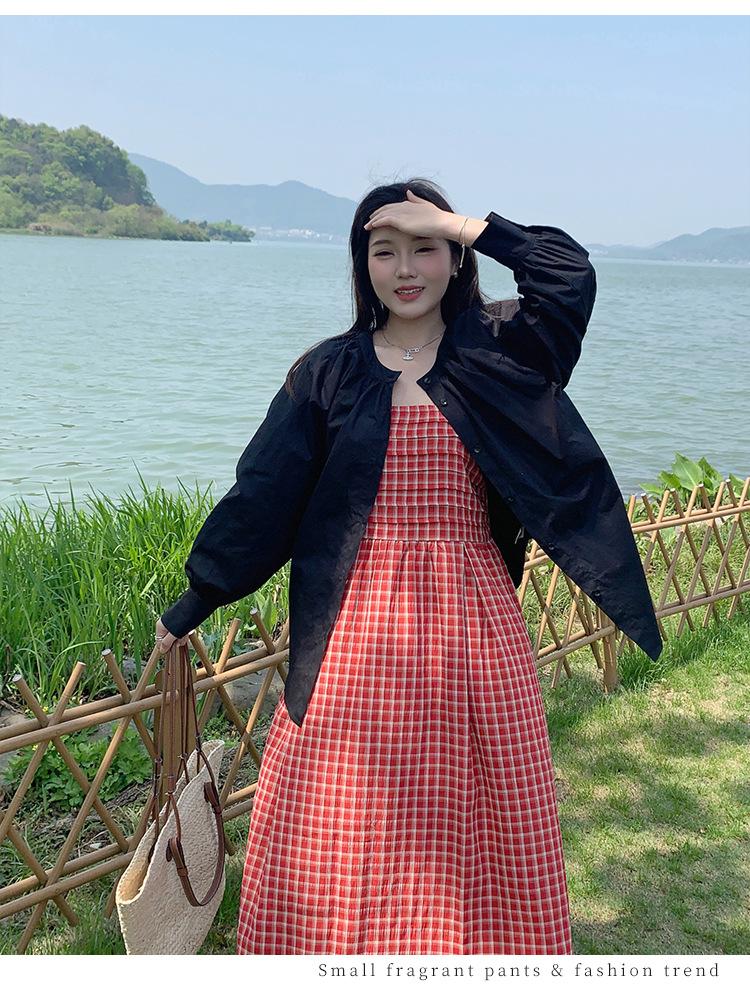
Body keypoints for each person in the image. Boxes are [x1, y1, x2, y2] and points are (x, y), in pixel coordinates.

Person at [157, 179, 607, 955]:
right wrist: (196, 598)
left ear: (455, 257)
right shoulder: (328, 372)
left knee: (473, 807)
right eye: (384, 250)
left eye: (424, 246)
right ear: (360, 263)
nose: (404, 268)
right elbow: (265, 496)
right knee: (337, 804)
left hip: (471, 629)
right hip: (353, 631)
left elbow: (568, 275)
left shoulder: (501, 354)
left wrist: (461, 221)